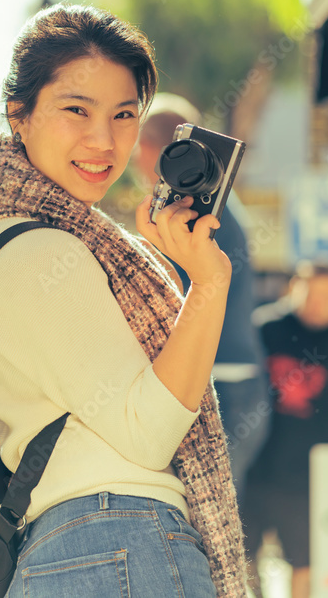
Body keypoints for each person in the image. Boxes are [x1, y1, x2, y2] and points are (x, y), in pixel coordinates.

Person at [0, 3, 244, 597]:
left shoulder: (42, 240)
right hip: (120, 544)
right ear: (19, 115)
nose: (103, 140)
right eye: (76, 110)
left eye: (124, 115)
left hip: (87, 550)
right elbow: (147, 432)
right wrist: (209, 283)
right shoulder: (44, 251)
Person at [134, 94, 270, 498]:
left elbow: (164, 303)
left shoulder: (188, 214)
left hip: (218, 388)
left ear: (153, 153)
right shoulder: (222, 205)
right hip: (240, 383)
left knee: (207, 530)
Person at [243, 263, 328, 598]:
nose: (316, 302)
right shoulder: (264, 329)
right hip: (253, 472)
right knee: (242, 560)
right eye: (310, 292)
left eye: (326, 294)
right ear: (294, 289)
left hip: (309, 482)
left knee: (306, 566)